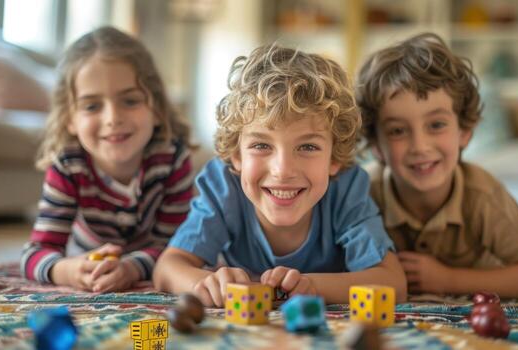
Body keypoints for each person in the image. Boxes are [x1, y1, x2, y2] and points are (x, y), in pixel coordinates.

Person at [153, 44, 407, 306]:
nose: (283, 170)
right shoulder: (223, 186)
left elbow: (393, 283)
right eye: (261, 145)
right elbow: (168, 267)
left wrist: (311, 286)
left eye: (308, 147)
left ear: (335, 159)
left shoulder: (346, 189)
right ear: (237, 156)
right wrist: (205, 283)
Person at [356, 33, 518, 300]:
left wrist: (447, 279)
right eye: (397, 130)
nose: (420, 146)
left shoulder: (483, 195)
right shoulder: (362, 194)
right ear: (376, 145)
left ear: (464, 131)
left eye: (436, 125)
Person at [20, 26, 194, 293]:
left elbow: (176, 248)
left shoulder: (172, 159)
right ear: (70, 119)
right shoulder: (68, 165)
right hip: (88, 257)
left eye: (130, 101)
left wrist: (132, 267)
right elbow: (35, 253)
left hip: (149, 258)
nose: (112, 118)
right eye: (92, 106)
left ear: (157, 109)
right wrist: (67, 270)